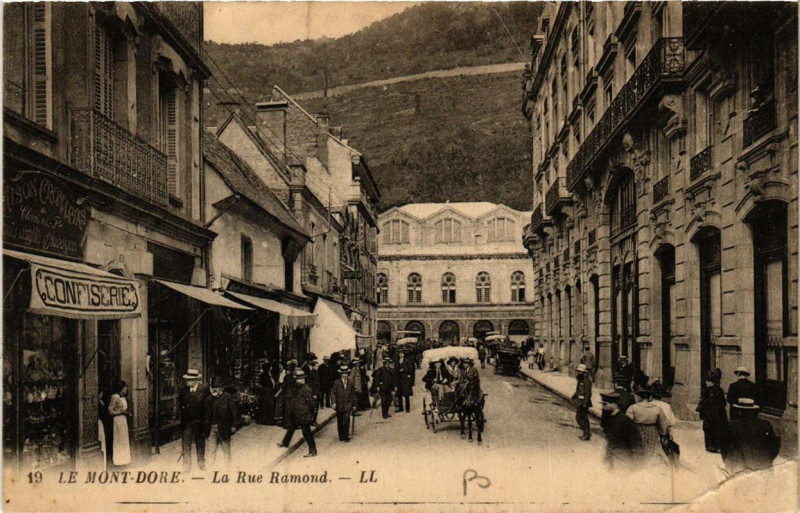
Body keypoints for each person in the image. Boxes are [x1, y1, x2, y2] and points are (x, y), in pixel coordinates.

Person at [721, 398, 781, 475]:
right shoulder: (765, 424)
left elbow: (724, 446)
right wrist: (767, 458)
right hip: (762, 466)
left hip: (739, 467)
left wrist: (729, 460)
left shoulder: (732, 425)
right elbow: (774, 446)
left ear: (740, 411)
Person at [278, 370, 318, 457]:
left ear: (303, 379)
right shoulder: (296, 388)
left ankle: (313, 451)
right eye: (297, 379)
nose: (298, 381)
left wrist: (311, 413)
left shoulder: (306, 389)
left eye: (300, 379)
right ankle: (285, 442)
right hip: (296, 413)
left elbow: (311, 403)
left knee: (307, 433)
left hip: (303, 414)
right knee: (291, 428)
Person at [600, 391, 644, 470]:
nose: (602, 407)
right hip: (612, 458)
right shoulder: (610, 418)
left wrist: (637, 464)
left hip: (623, 459)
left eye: (605, 404)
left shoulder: (625, 420)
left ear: (614, 404)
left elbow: (636, 443)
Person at [626, 386, 670, 459]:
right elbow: (663, 424)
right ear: (650, 397)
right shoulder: (657, 408)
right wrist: (663, 434)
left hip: (637, 432)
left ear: (639, 397)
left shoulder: (633, 407)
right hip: (652, 432)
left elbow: (628, 422)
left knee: (638, 452)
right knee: (652, 453)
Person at [204, 377, 238, 468]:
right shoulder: (209, 399)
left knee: (226, 449)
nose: (214, 390)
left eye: (217, 387)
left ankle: (228, 467)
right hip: (212, 428)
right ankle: (209, 467)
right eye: (213, 387)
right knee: (211, 450)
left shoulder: (227, 397)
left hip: (224, 428)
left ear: (221, 388)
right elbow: (205, 415)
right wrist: (205, 427)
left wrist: (233, 426)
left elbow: (233, 413)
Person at [179, 369, 209, 470]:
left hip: (199, 423)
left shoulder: (204, 390)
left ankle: (201, 462)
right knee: (186, 444)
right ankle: (186, 465)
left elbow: (207, 408)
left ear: (195, 380)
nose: (187, 382)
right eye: (187, 380)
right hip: (187, 423)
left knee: (200, 443)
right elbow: (181, 406)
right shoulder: (183, 391)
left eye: (189, 380)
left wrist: (205, 423)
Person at [696, 370, 728, 453]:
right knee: (718, 430)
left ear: (712, 382)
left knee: (709, 429)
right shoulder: (720, 390)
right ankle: (718, 446)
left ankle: (710, 446)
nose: (706, 383)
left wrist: (702, 409)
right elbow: (724, 402)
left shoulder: (708, 391)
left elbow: (706, 402)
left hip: (710, 414)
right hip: (719, 413)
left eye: (708, 381)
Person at [108, 380, 131, 466]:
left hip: (123, 420)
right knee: (119, 440)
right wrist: (121, 412)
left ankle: (124, 460)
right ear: (120, 388)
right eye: (125, 388)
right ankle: (118, 461)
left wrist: (127, 412)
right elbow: (110, 411)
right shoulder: (115, 397)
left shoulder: (123, 397)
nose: (126, 389)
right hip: (118, 420)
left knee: (124, 440)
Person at [331, 364, 357, 442]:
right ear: (341, 374)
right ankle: (341, 435)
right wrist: (334, 402)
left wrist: (354, 405)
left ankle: (346, 436)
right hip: (339, 405)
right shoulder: (336, 383)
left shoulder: (350, 383)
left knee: (347, 420)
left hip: (348, 404)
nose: (345, 375)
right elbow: (332, 393)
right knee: (340, 420)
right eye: (343, 373)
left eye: (346, 373)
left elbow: (353, 394)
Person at [572, 364, 592, 441]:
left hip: (583, 402)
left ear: (584, 372)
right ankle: (586, 432)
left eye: (580, 371)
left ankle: (587, 434)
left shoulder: (587, 381)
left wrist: (585, 403)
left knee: (583, 418)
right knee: (579, 417)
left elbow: (588, 393)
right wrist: (574, 396)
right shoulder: (580, 380)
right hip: (579, 402)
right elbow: (578, 391)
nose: (578, 373)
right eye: (578, 371)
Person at [303, 354, 321, 424]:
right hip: (314, 393)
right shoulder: (311, 374)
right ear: (313, 366)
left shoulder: (316, 373)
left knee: (316, 407)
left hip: (317, 392)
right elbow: (310, 385)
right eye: (316, 366)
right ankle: (312, 421)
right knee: (313, 407)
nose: (317, 367)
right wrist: (313, 394)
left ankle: (313, 420)